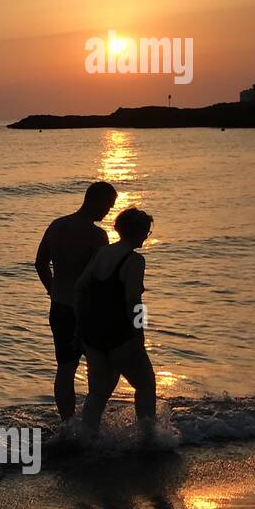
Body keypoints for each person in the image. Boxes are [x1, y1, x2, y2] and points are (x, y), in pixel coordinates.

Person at [34, 182, 117, 420]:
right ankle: (92, 421)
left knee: (66, 369)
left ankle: (68, 424)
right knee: (103, 367)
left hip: (59, 307)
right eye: (108, 205)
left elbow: (40, 263)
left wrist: (52, 290)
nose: (108, 211)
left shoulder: (57, 225)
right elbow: (102, 276)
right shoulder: (97, 235)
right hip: (87, 311)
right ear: (96, 201)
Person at [73, 206, 157, 442]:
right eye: (146, 232)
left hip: (93, 333)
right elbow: (133, 299)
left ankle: (85, 439)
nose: (146, 236)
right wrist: (138, 330)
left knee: (98, 392)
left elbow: (79, 289)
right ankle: (148, 439)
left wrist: (80, 326)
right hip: (120, 333)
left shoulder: (101, 253)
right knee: (145, 385)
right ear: (139, 231)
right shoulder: (134, 260)